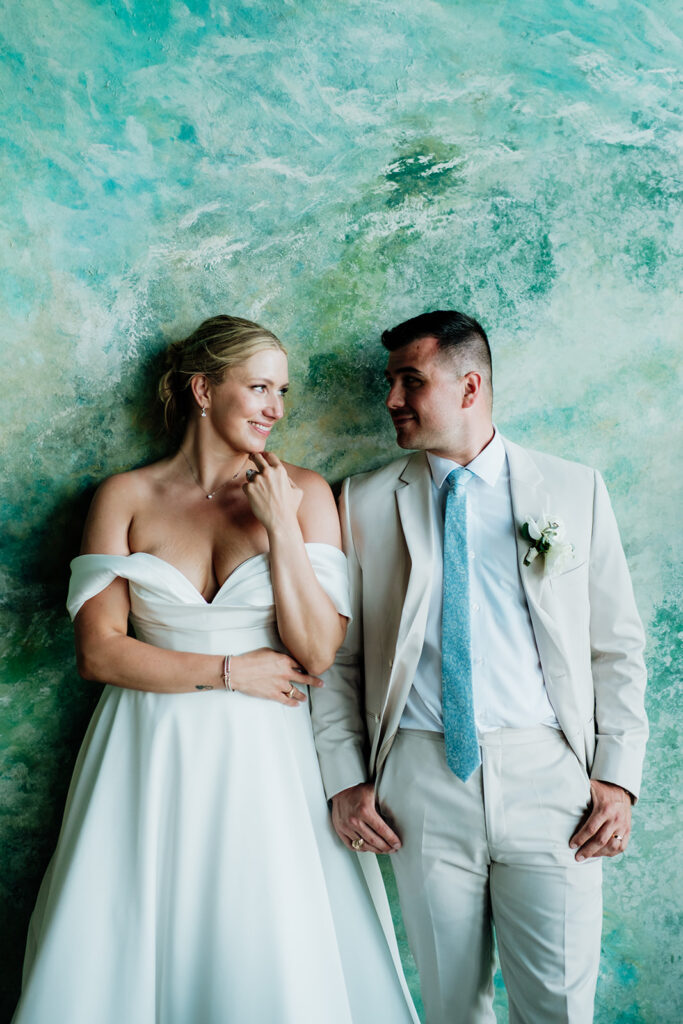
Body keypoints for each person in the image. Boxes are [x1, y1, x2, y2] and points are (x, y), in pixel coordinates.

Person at [12, 315, 418, 1024]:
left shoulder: (305, 492)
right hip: (147, 749)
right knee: (130, 934)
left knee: (264, 937)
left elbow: (318, 649)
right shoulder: (125, 498)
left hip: (268, 760)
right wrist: (231, 671)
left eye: (282, 391)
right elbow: (98, 651)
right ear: (203, 389)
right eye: (258, 387)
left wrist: (281, 525)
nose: (276, 409)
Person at [311, 310, 648, 1024]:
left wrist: (617, 777)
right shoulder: (362, 501)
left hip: (551, 783)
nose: (392, 400)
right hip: (419, 784)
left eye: (411, 381)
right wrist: (346, 777)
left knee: (557, 1008)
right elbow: (338, 660)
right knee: (450, 1009)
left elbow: (614, 644)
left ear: (469, 388)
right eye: (389, 383)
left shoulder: (572, 490)